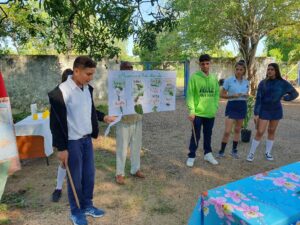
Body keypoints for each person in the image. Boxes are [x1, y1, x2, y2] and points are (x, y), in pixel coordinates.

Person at [48, 56, 115, 225]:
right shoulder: (61, 92)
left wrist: (103, 117)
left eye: (92, 74)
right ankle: (76, 212)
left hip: (86, 141)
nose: (91, 77)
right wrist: (61, 148)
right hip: (72, 142)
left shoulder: (87, 89)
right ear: (76, 71)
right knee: (75, 179)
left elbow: (90, 110)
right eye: (88, 74)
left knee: (89, 176)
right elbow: (55, 123)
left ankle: (87, 205)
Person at [246, 63, 299, 162]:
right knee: (260, 131)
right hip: (264, 110)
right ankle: (251, 153)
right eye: (268, 69)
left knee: (271, 131)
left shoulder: (283, 83)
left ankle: (268, 153)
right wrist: (256, 113)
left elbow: (295, 93)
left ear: (276, 71)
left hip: (276, 110)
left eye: (272, 69)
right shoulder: (263, 83)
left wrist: (285, 98)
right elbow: (258, 99)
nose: (269, 71)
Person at [186, 54, 220, 167]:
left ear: (210, 63)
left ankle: (208, 154)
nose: (205, 66)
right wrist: (192, 111)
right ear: (199, 64)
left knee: (208, 134)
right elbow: (190, 95)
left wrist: (215, 106)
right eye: (203, 63)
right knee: (196, 135)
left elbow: (216, 94)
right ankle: (191, 155)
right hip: (198, 113)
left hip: (210, 113)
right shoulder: (194, 77)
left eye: (207, 63)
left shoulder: (214, 77)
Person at [115, 61, 145, 185]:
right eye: (126, 68)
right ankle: (119, 173)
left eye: (131, 67)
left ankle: (135, 169)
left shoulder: (138, 82)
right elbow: (115, 100)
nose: (129, 70)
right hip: (123, 120)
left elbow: (143, 96)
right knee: (122, 148)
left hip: (137, 118)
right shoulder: (117, 83)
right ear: (121, 69)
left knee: (136, 146)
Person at [217, 60, 249, 159]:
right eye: (237, 69)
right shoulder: (229, 80)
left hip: (242, 105)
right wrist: (232, 96)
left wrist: (246, 95)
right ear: (235, 70)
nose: (239, 71)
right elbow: (221, 95)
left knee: (237, 130)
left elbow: (247, 96)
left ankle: (234, 151)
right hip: (232, 105)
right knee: (227, 131)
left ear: (244, 71)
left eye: (241, 69)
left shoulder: (246, 82)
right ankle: (221, 151)